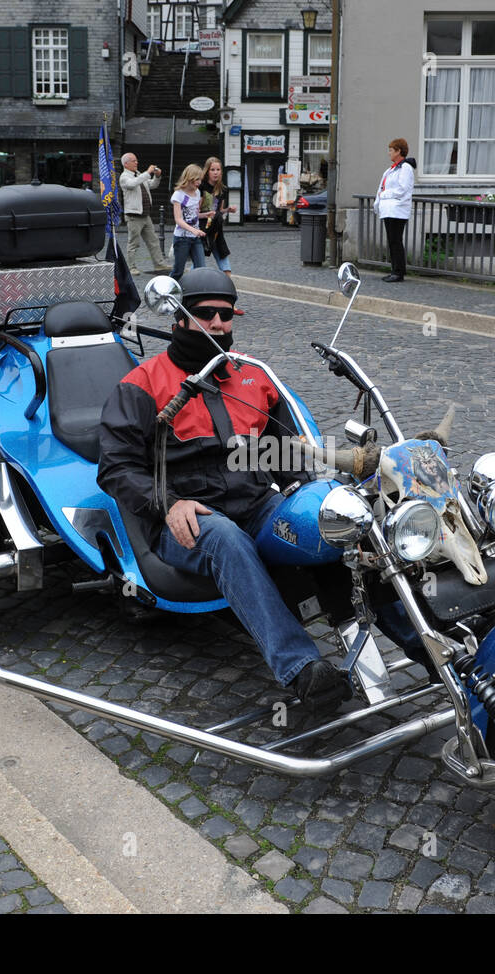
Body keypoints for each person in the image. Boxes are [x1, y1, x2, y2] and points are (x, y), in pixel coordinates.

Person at [96, 270, 351, 712]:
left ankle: (416, 640)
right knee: (225, 537)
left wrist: (301, 493)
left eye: (225, 314)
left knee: (331, 522)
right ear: (178, 319)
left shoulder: (255, 376)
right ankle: (302, 668)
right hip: (187, 518)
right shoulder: (142, 384)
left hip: (257, 505)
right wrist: (169, 504)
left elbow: (283, 451)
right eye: (203, 314)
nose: (217, 323)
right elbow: (115, 468)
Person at [119, 153, 170, 274]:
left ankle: (159, 265)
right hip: (133, 216)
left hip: (145, 214)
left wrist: (157, 176)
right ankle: (131, 267)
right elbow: (132, 184)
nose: (136, 162)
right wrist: (147, 173)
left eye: (136, 160)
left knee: (153, 241)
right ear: (126, 164)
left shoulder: (138, 174)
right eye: (133, 161)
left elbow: (152, 185)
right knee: (133, 243)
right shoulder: (124, 177)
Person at [373, 137, 415, 283]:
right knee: (392, 241)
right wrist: (377, 204)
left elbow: (402, 189)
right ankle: (395, 270)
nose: (389, 153)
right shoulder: (390, 170)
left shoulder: (405, 168)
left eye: (391, 150)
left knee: (396, 240)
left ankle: (398, 272)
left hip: (397, 209)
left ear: (398, 151)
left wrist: (383, 196)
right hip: (389, 209)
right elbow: (381, 187)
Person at [199, 156, 237, 275]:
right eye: (212, 170)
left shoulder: (223, 189)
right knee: (199, 261)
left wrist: (228, 210)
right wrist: (206, 215)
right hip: (202, 227)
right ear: (207, 171)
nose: (215, 173)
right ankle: (191, 282)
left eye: (218, 170)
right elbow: (196, 211)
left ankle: (228, 283)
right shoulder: (201, 186)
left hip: (216, 227)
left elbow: (219, 210)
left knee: (222, 253)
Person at [168, 164, 206, 280]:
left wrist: (205, 215)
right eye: (197, 179)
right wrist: (194, 230)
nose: (199, 182)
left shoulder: (198, 192)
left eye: (200, 179)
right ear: (189, 178)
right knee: (178, 271)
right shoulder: (178, 195)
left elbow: (193, 216)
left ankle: (198, 294)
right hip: (182, 238)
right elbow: (179, 220)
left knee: (201, 269)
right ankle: (166, 290)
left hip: (195, 237)